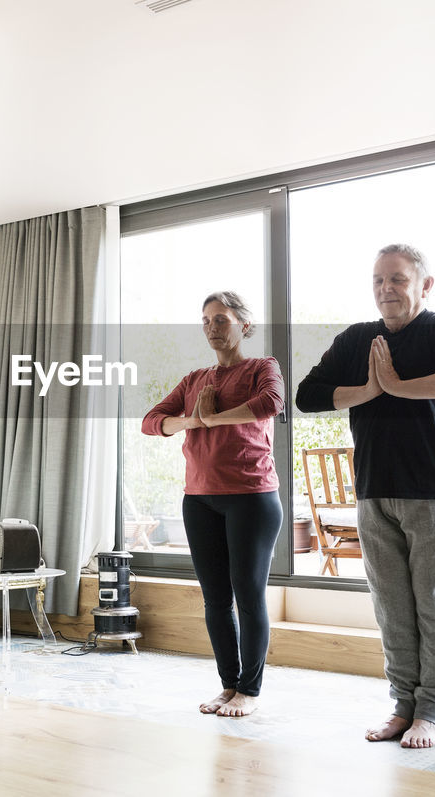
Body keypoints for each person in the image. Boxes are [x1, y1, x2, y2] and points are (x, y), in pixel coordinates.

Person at [295, 243, 435, 748]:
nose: (387, 289)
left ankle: (432, 711)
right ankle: (403, 705)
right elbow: (308, 395)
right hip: (375, 490)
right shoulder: (358, 339)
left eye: (398, 279)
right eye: (379, 280)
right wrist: (368, 389)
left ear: (424, 285)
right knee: (391, 607)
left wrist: (397, 385)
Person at [141, 291, 285, 718]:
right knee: (215, 599)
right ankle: (228, 684)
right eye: (205, 321)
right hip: (199, 499)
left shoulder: (263, 368)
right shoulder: (193, 380)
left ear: (243, 324)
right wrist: (191, 420)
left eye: (220, 319)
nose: (211, 328)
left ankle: (250, 690)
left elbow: (270, 404)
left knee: (248, 595)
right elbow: (152, 422)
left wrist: (211, 419)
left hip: (251, 498)